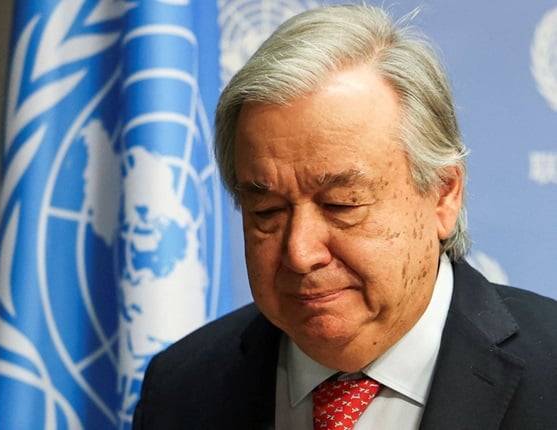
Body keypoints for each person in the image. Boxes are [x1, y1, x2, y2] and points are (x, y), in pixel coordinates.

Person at [133, 4, 557, 429]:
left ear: (443, 194)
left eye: (341, 204)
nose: (300, 253)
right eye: (267, 211)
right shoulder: (182, 389)